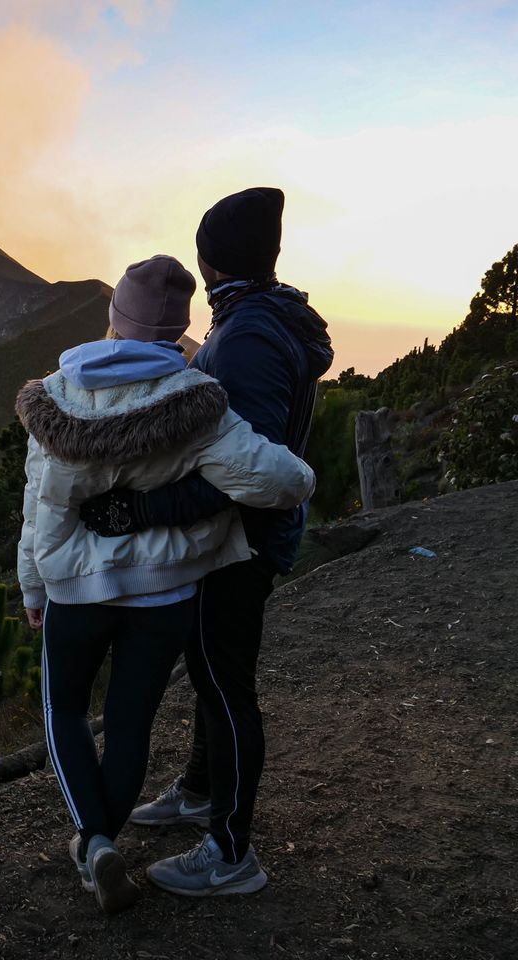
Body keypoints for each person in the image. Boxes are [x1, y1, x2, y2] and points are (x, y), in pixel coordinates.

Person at [15, 253, 316, 914]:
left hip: (75, 593)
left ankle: (96, 844)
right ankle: (103, 844)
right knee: (129, 724)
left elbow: (39, 506)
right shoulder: (199, 405)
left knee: (63, 711)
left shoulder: (57, 399)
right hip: (164, 599)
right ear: (179, 330)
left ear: (114, 319)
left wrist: (33, 589)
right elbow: (286, 481)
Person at [80, 188, 334, 897]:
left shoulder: (247, 336)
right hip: (238, 539)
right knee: (210, 670)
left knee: (226, 684)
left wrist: (143, 509)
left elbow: (243, 474)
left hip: (241, 542)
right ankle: (198, 789)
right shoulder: (260, 317)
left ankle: (230, 853)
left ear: (211, 261)